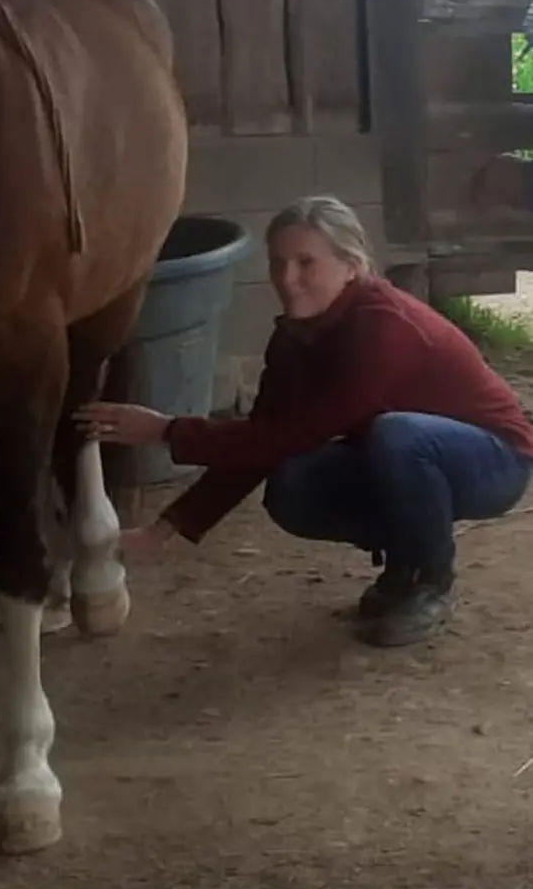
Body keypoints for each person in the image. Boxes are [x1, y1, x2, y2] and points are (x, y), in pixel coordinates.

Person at [74, 196, 533, 648]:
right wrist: (167, 528)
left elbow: (302, 430)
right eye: (278, 262)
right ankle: (404, 565)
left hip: (496, 459)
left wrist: (166, 430)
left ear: (351, 265)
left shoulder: (382, 324)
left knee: (395, 435)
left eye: (306, 263)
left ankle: (431, 582)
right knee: (294, 486)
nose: (286, 279)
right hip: (414, 458)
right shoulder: (294, 337)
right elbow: (262, 444)